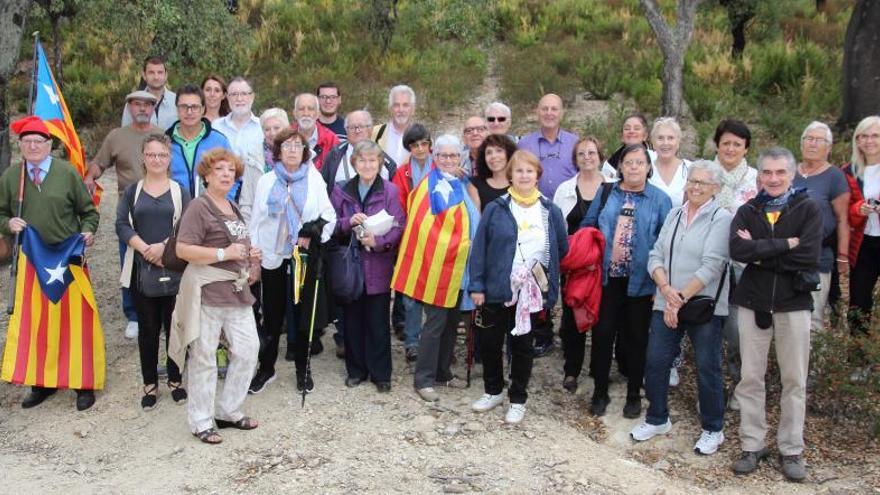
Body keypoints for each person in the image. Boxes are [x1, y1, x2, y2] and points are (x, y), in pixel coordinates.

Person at [728, 147, 822, 482]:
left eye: (780, 172)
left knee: (794, 380)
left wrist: (760, 253)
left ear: (792, 174)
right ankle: (752, 444)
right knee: (750, 378)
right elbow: (737, 250)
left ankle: (791, 449)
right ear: (759, 176)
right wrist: (785, 245)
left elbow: (808, 256)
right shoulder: (748, 210)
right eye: (767, 172)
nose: (773, 178)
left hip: (793, 304)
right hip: (753, 304)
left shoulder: (808, 208)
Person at [630, 160, 732, 455]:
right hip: (667, 300)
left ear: (715, 189)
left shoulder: (721, 218)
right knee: (656, 361)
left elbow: (712, 264)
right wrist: (665, 289)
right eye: (692, 181)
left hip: (702, 306)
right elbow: (655, 254)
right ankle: (657, 418)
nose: (695, 187)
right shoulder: (675, 213)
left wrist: (680, 298)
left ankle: (714, 428)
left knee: (707, 366)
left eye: (702, 183)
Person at [0, 116, 100, 411]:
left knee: (76, 322)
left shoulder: (66, 173)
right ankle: (41, 382)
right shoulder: (12, 177)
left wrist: (89, 231)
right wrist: (9, 223)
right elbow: (0, 213)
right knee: (36, 323)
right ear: (20, 146)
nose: (33, 146)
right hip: (32, 259)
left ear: (49, 145)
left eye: (38, 141)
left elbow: (89, 212)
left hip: (68, 259)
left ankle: (83, 383)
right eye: (27, 142)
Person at [469, 150, 568, 424]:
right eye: (519, 171)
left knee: (522, 345)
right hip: (496, 288)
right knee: (489, 342)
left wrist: (538, 275)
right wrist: (477, 286)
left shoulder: (550, 210)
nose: (524, 176)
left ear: (537, 175)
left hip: (531, 292)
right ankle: (493, 390)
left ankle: (518, 398)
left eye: (529, 171)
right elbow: (479, 250)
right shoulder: (496, 208)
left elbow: (562, 247)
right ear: (510, 175)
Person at [171, 149, 261, 445]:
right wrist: (223, 253)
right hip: (207, 291)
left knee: (248, 350)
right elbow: (183, 249)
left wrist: (250, 257)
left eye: (230, 170)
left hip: (236, 290)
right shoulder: (199, 207)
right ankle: (201, 421)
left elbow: (239, 247)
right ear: (206, 175)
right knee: (204, 357)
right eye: (219, 169)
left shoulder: (232, 206)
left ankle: (228, 409)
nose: (226, 174)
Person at [580, 143, 672, 418]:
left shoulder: (660, 199)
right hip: (607, 279)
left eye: (639, 163)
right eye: (628, 162)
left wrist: (661, 284)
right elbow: (588, 224)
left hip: (642, 281)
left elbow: (665, 243)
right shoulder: (607, 191)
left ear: (648, 167)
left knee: (636, 338)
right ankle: (599, 390)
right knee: (603, 334)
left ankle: (633, 393)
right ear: (620, 166)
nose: (633, 167)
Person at [247, 128, 336, 394]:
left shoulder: (314, 179)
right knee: (272, 315)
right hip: (273, 256)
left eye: (298, 145)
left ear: (305, 151)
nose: (293, 150)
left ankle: (302, 368)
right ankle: (267, 368)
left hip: (302, 256)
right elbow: (256, 220)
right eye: (287, 145)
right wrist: (254, 255)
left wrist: (312, 231)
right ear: (278, 151)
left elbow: (328, 216)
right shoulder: (267, 180)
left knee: (301, 314)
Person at [392, 135, 480, 402]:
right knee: (435, 324)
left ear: (461, 158)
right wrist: (457, 245)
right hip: (439, 268)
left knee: (452, 323)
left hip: (460, 267)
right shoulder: (428, 186)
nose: (449, 160)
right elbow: (423, 229)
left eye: (454, 156)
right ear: (434, 156)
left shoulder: (460, 182)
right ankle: (424, 378)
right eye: (444, 156)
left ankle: (442, 372)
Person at [116, 134, 192, 410]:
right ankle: (149, 384)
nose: (156, 159)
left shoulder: (179, 190)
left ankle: (175, 379)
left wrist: (162, 247)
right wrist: (144, 248)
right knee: (148, 329)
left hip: (174, 266)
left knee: (174, 327)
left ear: (169, 158)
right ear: (143, 157)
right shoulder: (132, 192)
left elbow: (186, 225)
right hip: (141, 268)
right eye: (151, 155)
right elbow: (122, 224)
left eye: (162, 155)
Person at [86, 90, 165, 339]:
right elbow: (100, 163)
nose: (142, 108)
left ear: (153, 108)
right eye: (137, 104)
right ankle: (133, 314)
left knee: (161, 258)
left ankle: (162, 312)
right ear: (130, 107)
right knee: (129, 262)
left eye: (147, 105)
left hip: (160, 207)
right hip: (129, 209)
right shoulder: (116, 136)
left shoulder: (161, 135)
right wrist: (90, 176)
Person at [330, 140, 405, 392]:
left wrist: (379, 241)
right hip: (351, 265)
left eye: (373, 160)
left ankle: (381, 374)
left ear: (380, 163)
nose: (367, 165)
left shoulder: (391, 191)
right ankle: (356, 370)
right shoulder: (342, 190)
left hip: (378, 265)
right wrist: (348, 221)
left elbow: (398, 226)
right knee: (352, 322)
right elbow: (331, 224)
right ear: (354, 163)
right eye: (362, 160)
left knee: (378, 322)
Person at [518, 93, 578, 356]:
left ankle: (569, 331)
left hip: (567, 218)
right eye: (545, 109)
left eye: (554, 109)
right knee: (537, 275)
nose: (549, 113)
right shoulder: (525, 143)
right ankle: (540, 333)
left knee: (567, 275)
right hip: (533, 218)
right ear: (537, 111)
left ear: (562, 112)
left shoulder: (574, 143)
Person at [553, 136, 611, 391]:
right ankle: (572, 370)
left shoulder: (613, 188)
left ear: (600, 155)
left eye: (592, 152)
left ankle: (599, 370)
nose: (587, 157)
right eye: (581, 154)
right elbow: (555, 227)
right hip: (574, 265)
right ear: (574, 159)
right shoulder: (565, 189)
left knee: (602, 319)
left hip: (603, 265)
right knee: (572, 318)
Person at [712, 118, 758, 411]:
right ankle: (714, 390)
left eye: (737, 144)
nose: (730, 148)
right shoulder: (702, 172)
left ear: (746, 148)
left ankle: (742, 385)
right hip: (711, 261)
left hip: (745, 263)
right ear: (717, 144)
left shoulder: (756, 178)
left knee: (740, 328)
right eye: (726, 142)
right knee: (711, 327)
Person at [793, 121, 849, 333]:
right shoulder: (790, 171)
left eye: (819, 140)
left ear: (829, 147)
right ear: (801, 144)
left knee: (813, 316)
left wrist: (842, 256)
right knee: (787, 315)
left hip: (818, 256)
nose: (813, 144)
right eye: (808, 138)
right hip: (786, 255)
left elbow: (842, 219)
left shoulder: (835, 177)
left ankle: (816, 366)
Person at [390, 123, 434, 361]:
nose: (420, 149)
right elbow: (399, 205)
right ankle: (411, 341)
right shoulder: (401, 173)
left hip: (437, 237)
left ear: (430, 145)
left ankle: (433, 340)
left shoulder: (439, 168)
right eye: (414, 145)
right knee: (410, 294)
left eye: (424, 144)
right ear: (409, 148)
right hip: (411, 238)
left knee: (435, 291)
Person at [844, 116, 880, 335]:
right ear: (857, 141)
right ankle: (859, 363)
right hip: (864, 243)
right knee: (859, 303)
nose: (869, 141)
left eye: (875, 135)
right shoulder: (849, 171)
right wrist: (859, 209)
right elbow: (843, 209)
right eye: (863, 136)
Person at [166, 84, 232, 199]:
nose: (189, 112)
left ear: (202, 109)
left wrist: (223, 203)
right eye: (184, 106)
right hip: (174, 212)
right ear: (177, 109)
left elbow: (233, 177)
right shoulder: (165, 142)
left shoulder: (219, 141)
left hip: (211, 211)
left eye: (195, 107)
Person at [214, 77, 265, 223]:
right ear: (227, 97)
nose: (239, 98)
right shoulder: (216, 126)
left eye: (244, 94)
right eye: (234, 94)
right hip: (223, 191)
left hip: (254, 193)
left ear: (252, 96)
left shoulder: (262, 127)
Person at [321, 110, 397, 195]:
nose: (357, 131)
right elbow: (322, 189)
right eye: (352, 127)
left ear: (370, 129)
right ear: (346, 130)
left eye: (361, 126)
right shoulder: (334, 156)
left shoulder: (386, 162)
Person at [122, 55, 177, 130]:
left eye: (160, 72)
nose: (156, 77)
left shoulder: (177, 101)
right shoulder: (133, 102)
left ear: (166, 75)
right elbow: (125, 133)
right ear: (144, 75)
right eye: (151, 73)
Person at [467, 134, 518, 211]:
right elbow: (476, 221)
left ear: (508, 154)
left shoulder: (520, 182)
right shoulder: (475, 186)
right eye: (489, 152)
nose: (493, 156)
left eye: (499, 150)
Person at [291, 93, 340, 171]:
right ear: (295, 114)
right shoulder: (285, 136)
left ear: (318, 114)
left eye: (310, 109)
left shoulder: (331, 140)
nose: (306, 113)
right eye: (301, 109)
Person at [649, 117, 690, 208]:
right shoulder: (645, 169)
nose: (665, 143)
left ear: (678, 142)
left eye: (670, 138)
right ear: (653, 143)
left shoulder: (690, 169)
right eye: (660, 138)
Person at [602, 113, 657, 179]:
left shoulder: (655, 160)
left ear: (645, 136)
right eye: (627, 128)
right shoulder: (610, 165)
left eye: (636, 128)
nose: (631, 131)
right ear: (622, 136)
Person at [373, 85, 416, 166]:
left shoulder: (422, 137)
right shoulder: (375, 133)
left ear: (413, 109)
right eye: (396, 105)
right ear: (390, 109)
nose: (401, 110)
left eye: (405, 105)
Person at [259, 108, 289, 172]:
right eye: (267, 129)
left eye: (276, 128)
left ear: (286, 129)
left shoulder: (298, 152)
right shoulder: (253, 156)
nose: (272, 133)